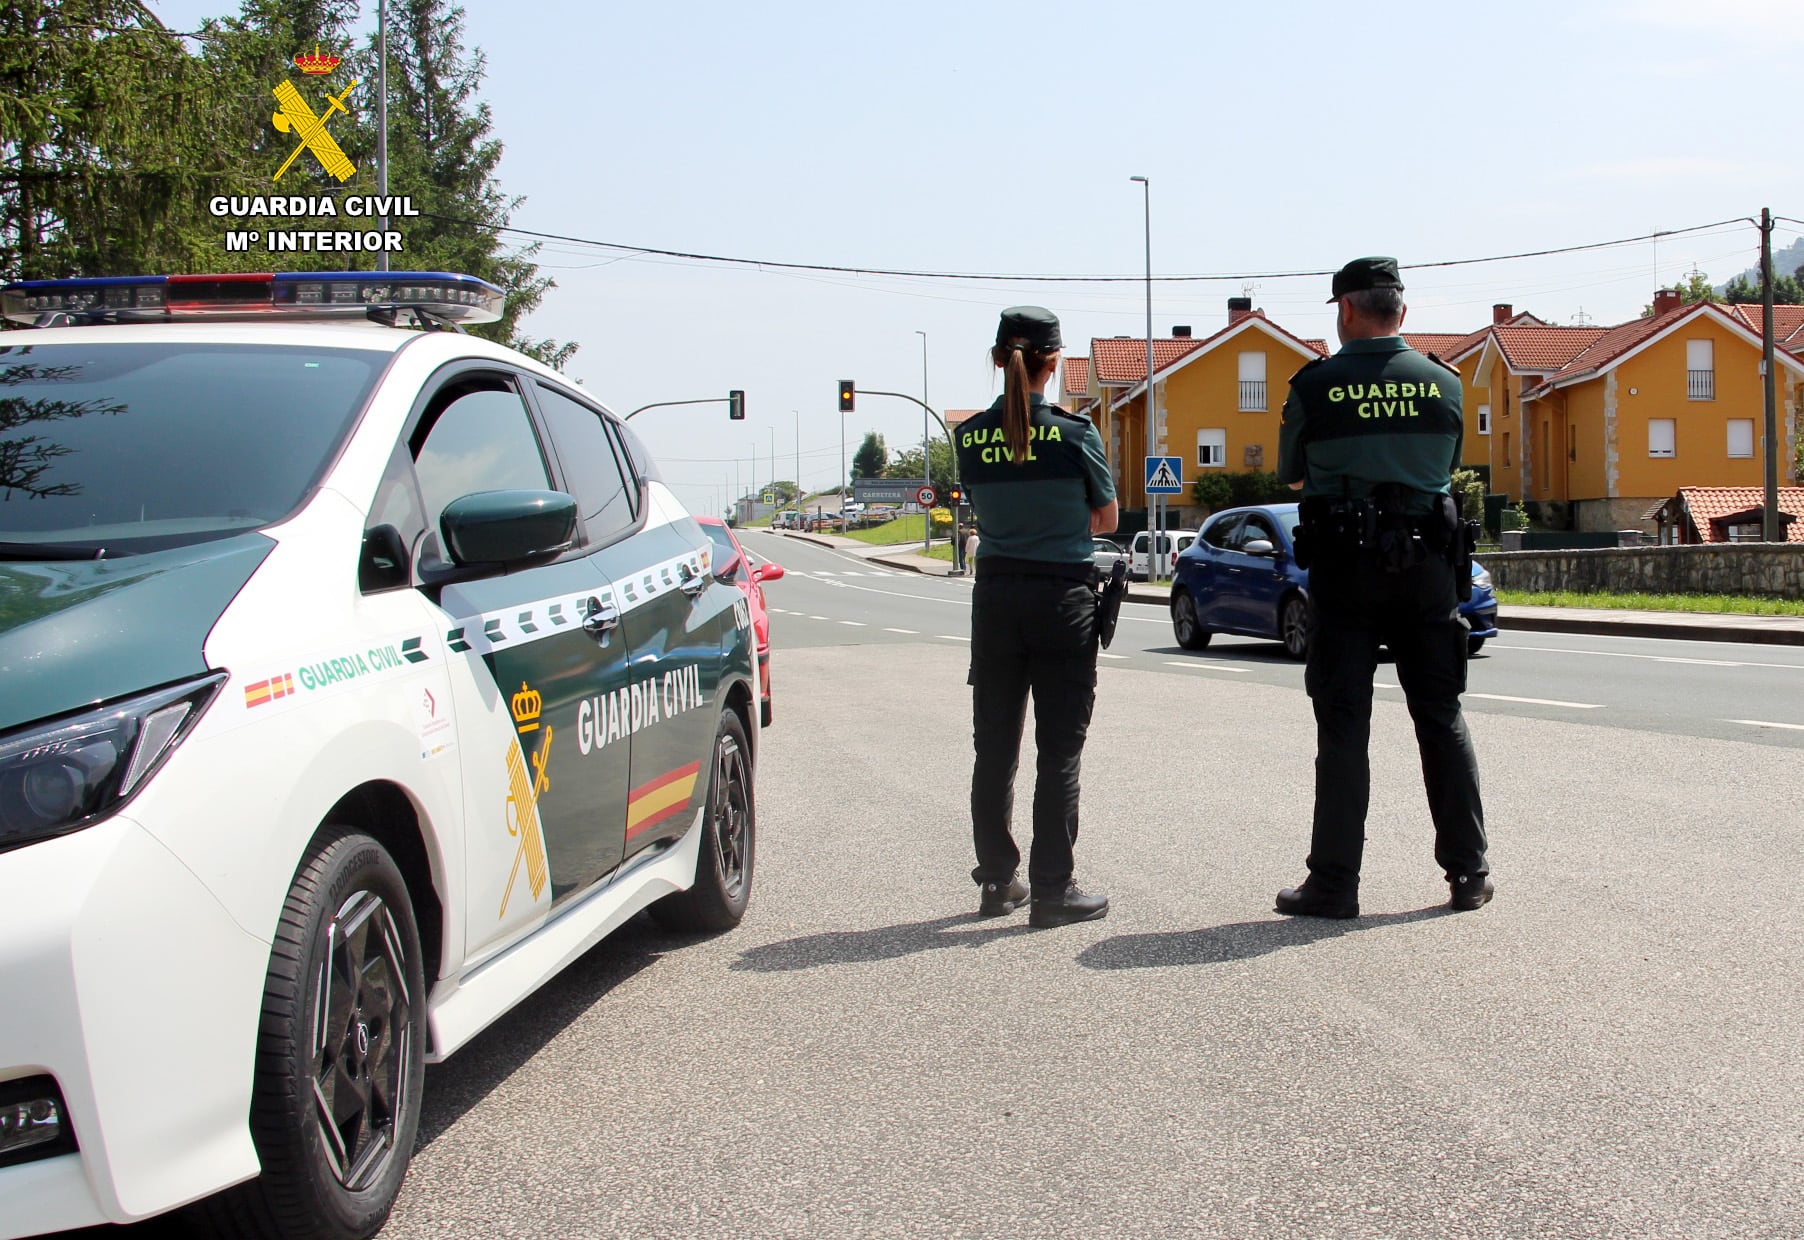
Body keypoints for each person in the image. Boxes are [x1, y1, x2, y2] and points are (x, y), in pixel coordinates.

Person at [1274, 257, 1491, 919]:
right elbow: (1445, 467)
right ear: (1401, 310)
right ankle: (1469, 874)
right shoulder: (1445, 384)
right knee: (1441, 718)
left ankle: (1334, 884)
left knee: (1343, 729)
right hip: (1428, 568)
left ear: (1345, 308)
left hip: (1347, 568)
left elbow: (1289, 476)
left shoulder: (1316, 385)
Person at [958, 306, 1119, 927]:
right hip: (1063, 600)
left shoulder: (969, 435)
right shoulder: (1078, 435)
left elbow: (986, 508)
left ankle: (997, 883)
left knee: (994, 748)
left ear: (999, 360)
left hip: (996, 599)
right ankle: (1054, 891)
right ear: (1054, 363)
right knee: (1059, 751)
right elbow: (1105, 519)